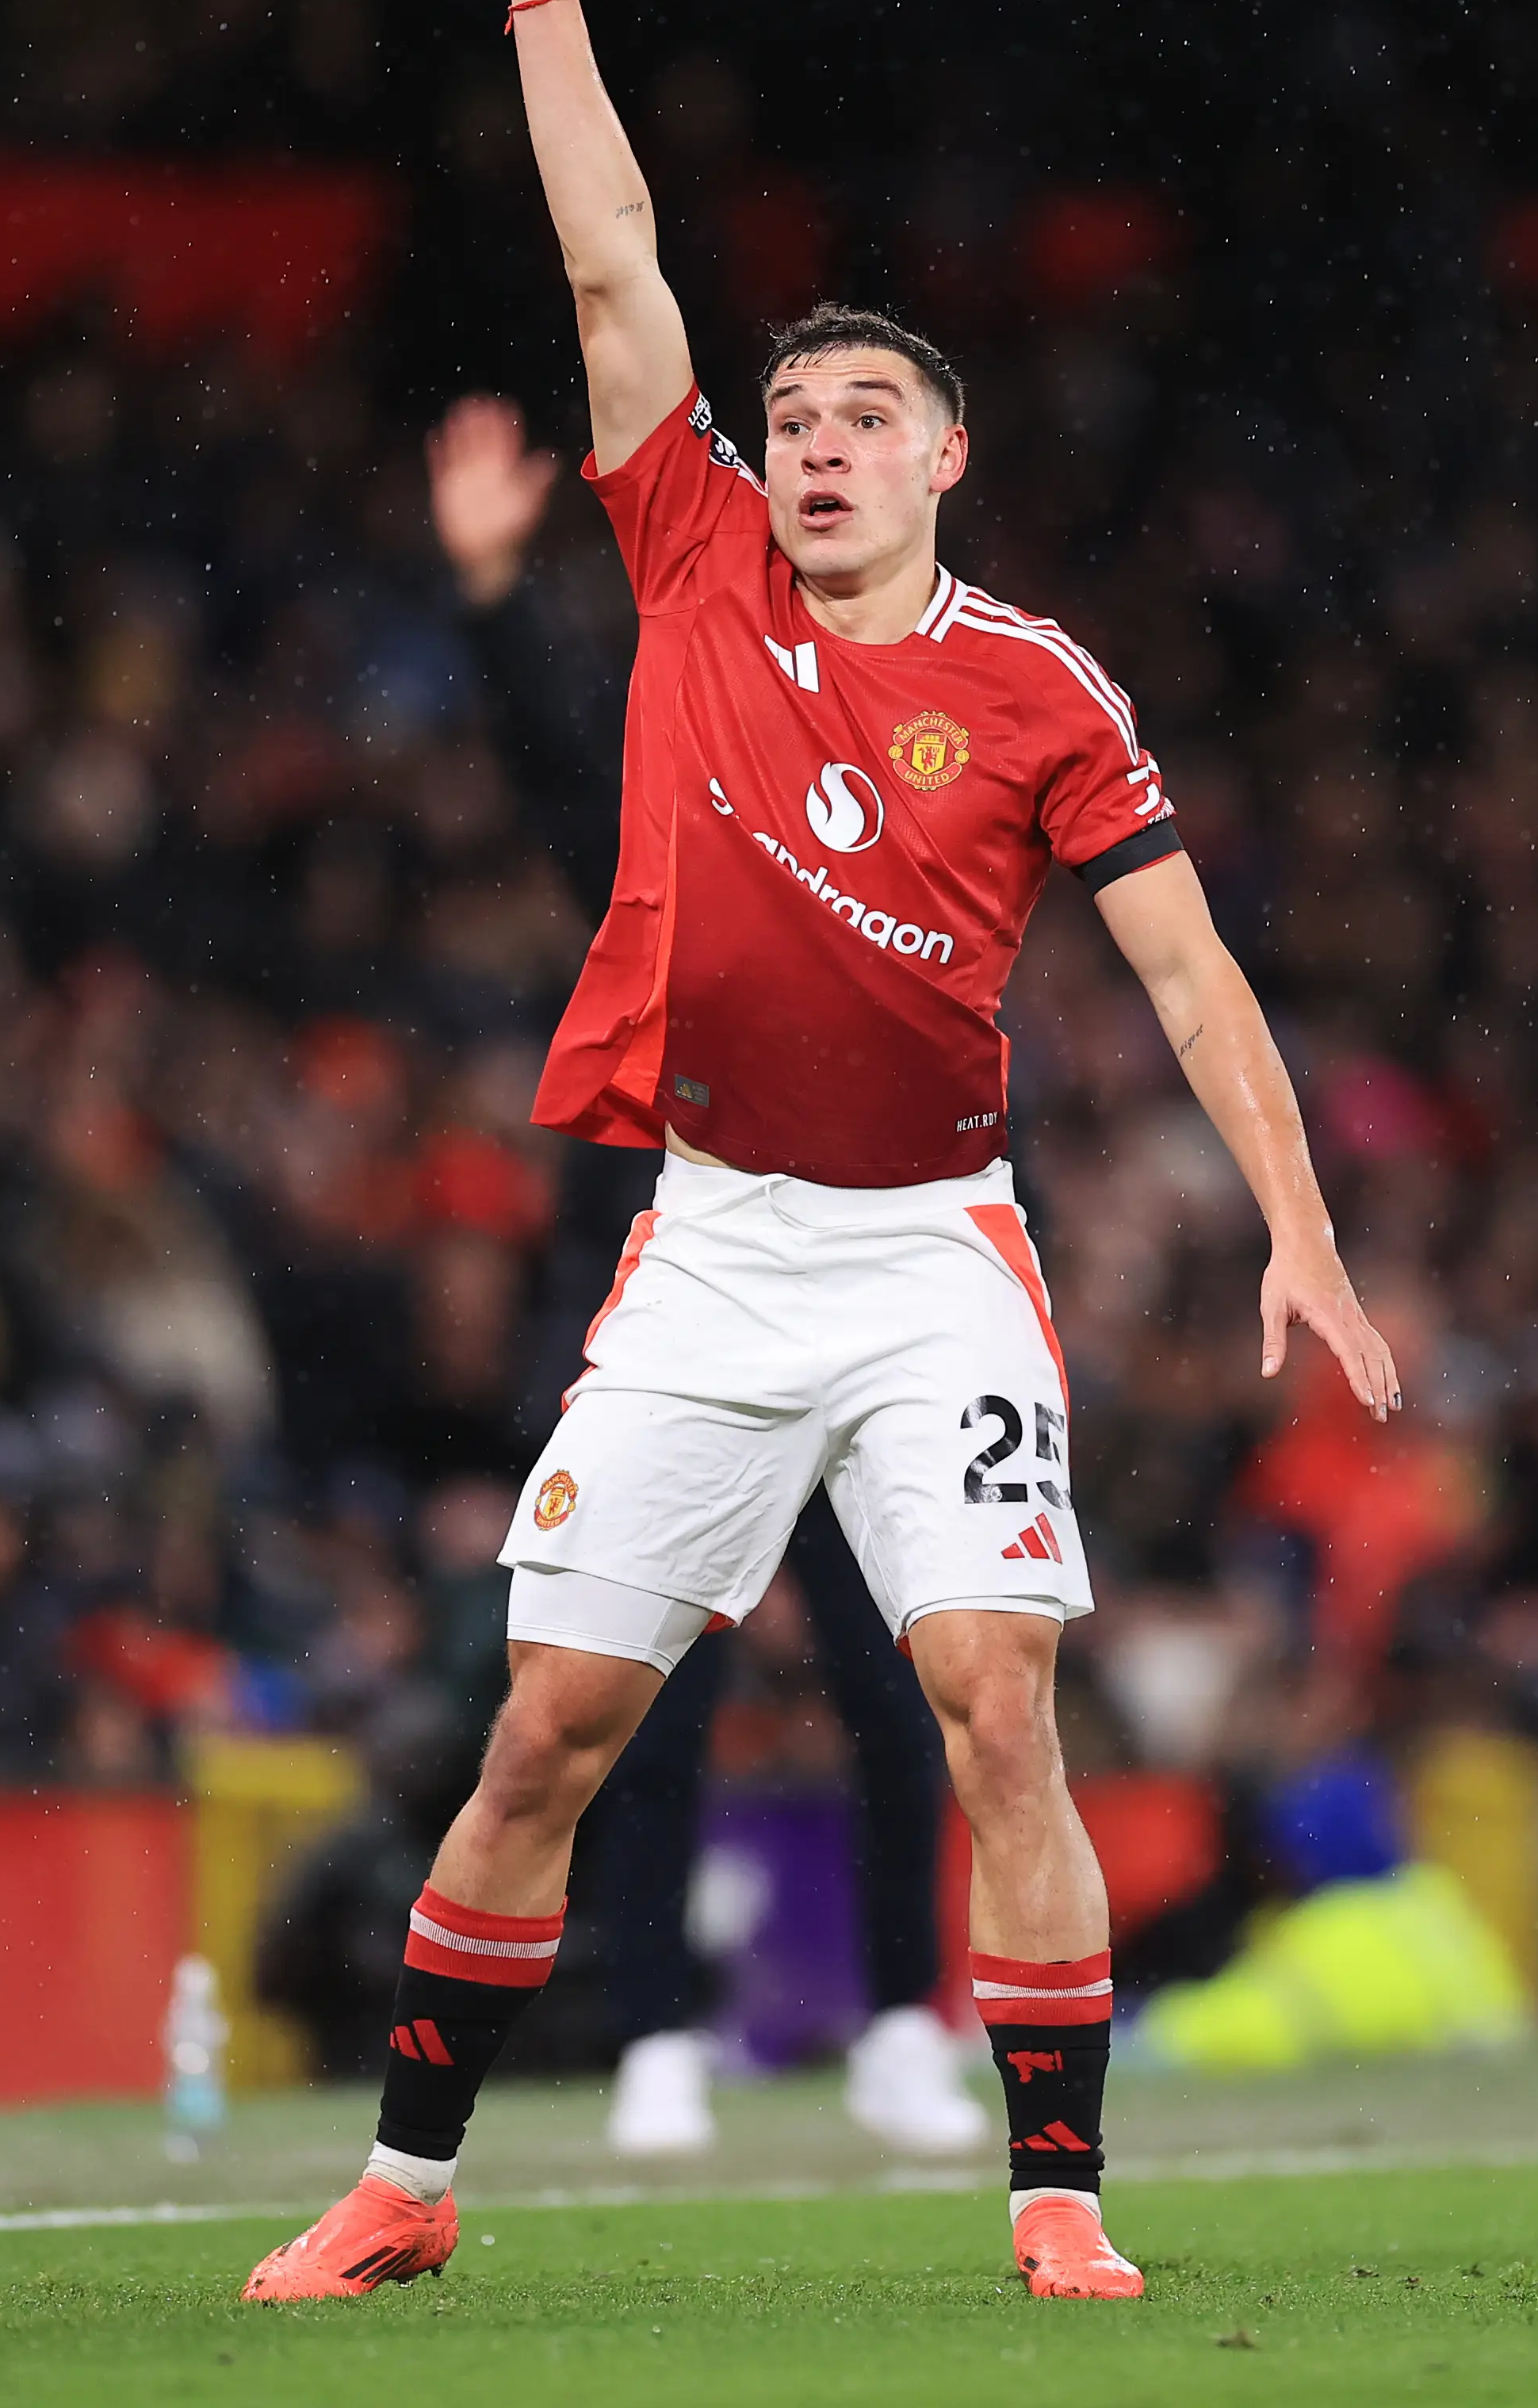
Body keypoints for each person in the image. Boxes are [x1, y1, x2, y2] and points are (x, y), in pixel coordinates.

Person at [243, 0, 1399, 2310]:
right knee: (548, 1728)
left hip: (931, 1261)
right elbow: (614, 256)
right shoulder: (682, 560)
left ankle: (1057, 2194)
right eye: (789, 421)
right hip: (712, 1244)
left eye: (867, 416)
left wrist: (1303, 1231)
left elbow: (1191, 971)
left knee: (996, 1696)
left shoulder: (1037, 690)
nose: (813, 444)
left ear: (950, 461)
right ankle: (407, 2187)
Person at [430, 389, 982, 2161]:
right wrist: (501, 598)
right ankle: (656, 2035)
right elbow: (559, 785)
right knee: (638, 1692)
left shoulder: (903, 859)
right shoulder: (681, 839)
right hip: (693, 1295)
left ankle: (907, 2017)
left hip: (875, 1303)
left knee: (909, 1673)